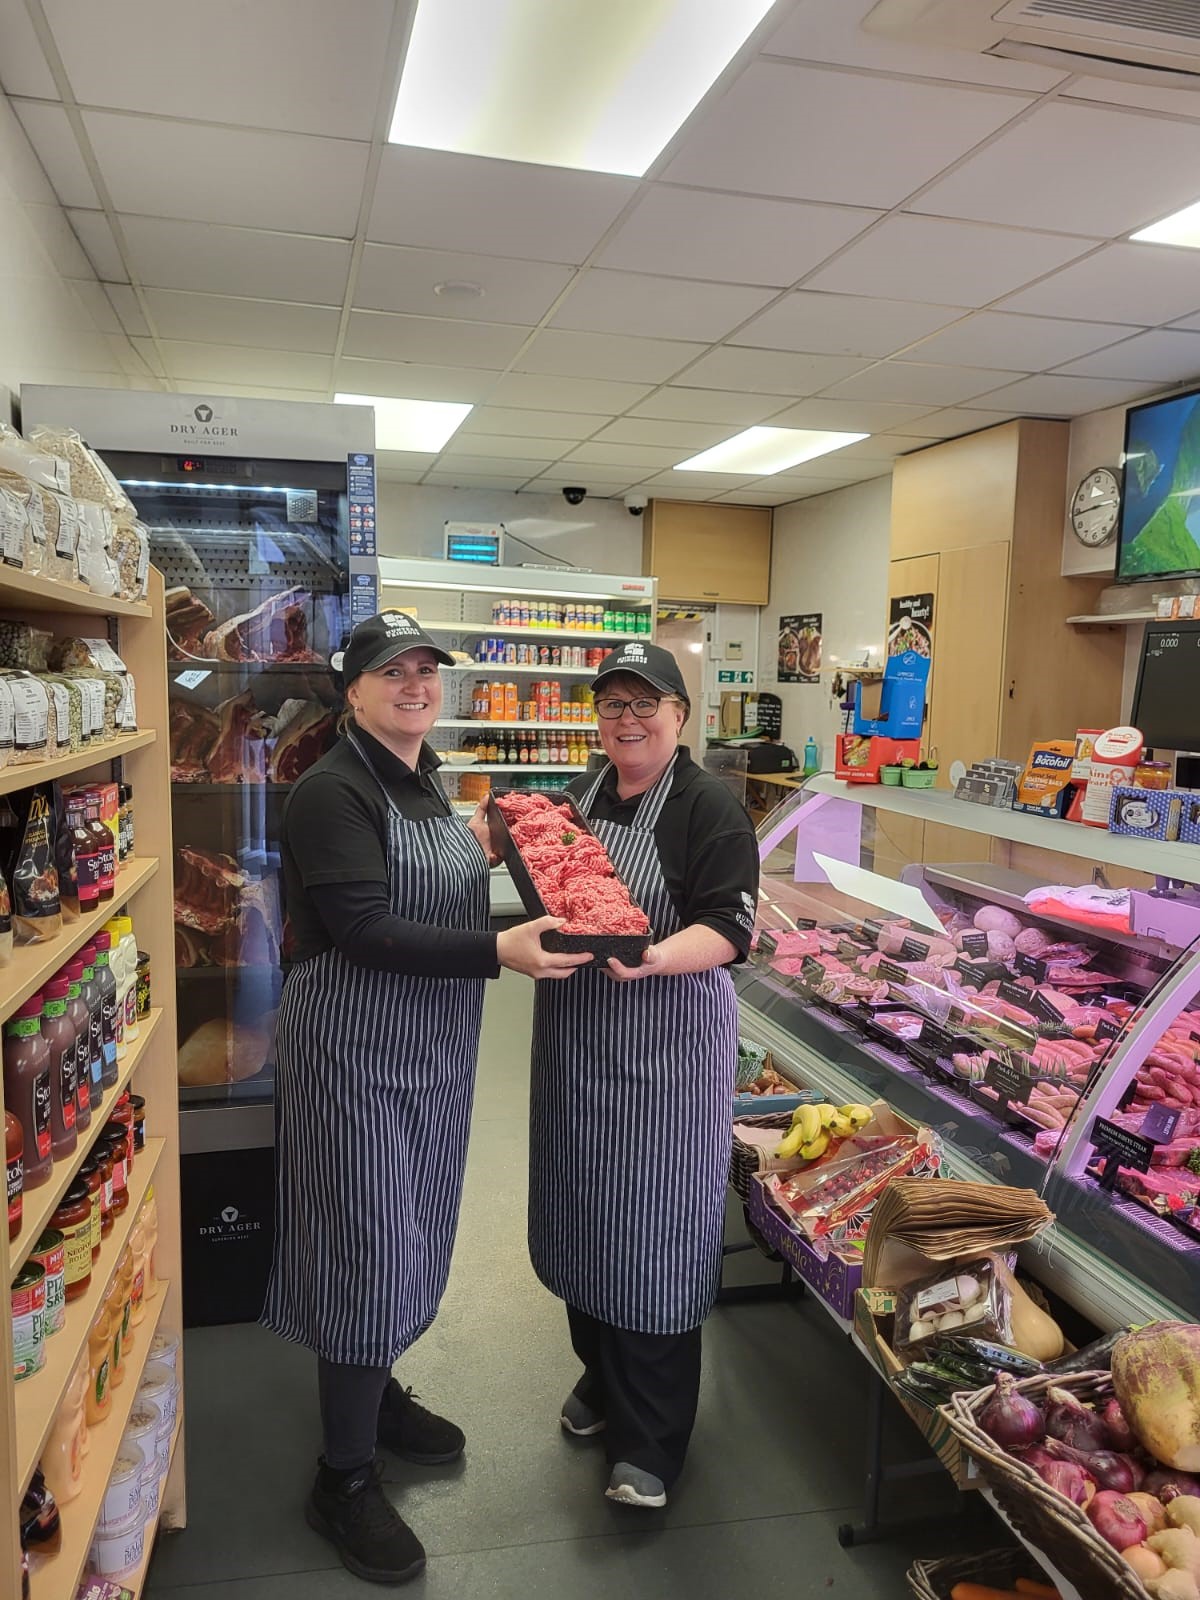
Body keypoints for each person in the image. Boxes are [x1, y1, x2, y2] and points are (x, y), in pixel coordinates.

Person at [262, 610, 589, 1586]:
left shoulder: (422, 776)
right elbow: (365, 928)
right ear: (352, 689)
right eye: (392, 671)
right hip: (353, 1054)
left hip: (430, 1054)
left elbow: (427, 876)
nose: (414, 685)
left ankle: (376, 1393)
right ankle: (343, 1477)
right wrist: (501, 947)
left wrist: (494, 840)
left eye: (425, 670)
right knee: (365, 1248)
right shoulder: (332, 790)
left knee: (412, 1234)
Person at [526, 640, 760, 1509]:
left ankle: (653, 1440)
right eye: (612, 705)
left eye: (644, 704)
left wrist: (655, 956)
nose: (627, 721)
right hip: (579, 1038)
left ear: (679, 715)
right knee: (582, 1212)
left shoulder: (708, 808)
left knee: (653, 1232)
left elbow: (730, 929)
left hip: (666, 1049)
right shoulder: (582, 793)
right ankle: (602, 1374)